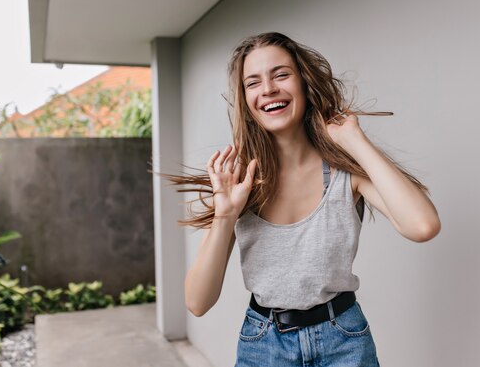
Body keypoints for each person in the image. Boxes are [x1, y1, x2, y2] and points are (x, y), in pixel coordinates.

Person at [169, 32, 441, 366]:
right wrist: (225, 214)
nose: (268, 89)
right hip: (264, 347)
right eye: (253, 82)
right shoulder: (240, 182)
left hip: (344, 342)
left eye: (281, 74)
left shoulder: (345, 172)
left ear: (303, 82)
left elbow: (423, 225)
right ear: (245, 99)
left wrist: (354, 141)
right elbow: (197, 302)